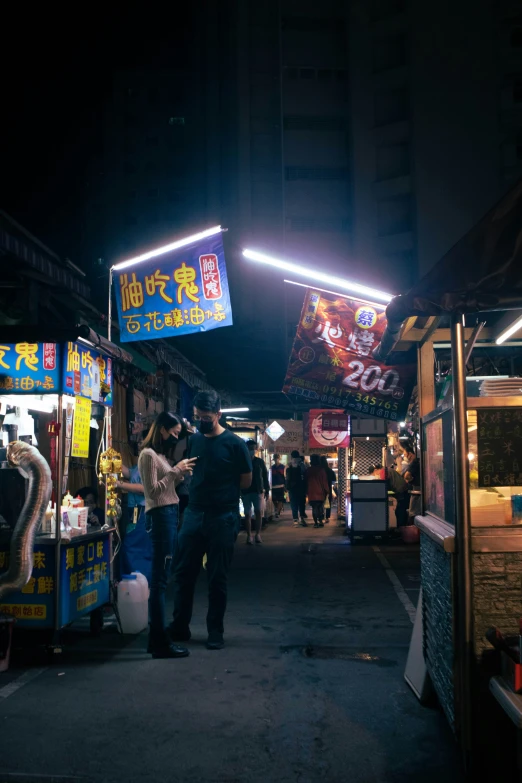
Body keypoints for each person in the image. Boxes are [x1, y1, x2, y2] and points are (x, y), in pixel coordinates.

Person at [170, 390, 252, 650]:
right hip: (194, 513)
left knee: (217, 577)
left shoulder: (235, 444)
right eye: (196, 417)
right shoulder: (194, 440)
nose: (200, 422)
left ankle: (215, 631)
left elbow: (246, 480)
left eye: (205, 417)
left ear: (218, 414)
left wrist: (222, 493)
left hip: (223, 516)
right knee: (183, 573)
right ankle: (180, 626)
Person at [138, 411, 196, 659]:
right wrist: (175, 471)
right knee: (160, 582)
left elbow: (166, 486)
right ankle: (160, 641)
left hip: (168, 515)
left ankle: (156, 640)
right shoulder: (148, 455)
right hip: (160, 517)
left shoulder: (160, 455)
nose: (175, 437)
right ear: (161, 429)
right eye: (173, 433)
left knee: (162, 579)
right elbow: (152, 492)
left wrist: (179, 472)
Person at [117, 464, 152, 584]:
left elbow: (144, 489)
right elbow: (130, 473)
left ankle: (140, 584)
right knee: (133, 546)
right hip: (136, 511)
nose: (137, 444)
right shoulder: (140, 463)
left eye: (140, 443)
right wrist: (112, 460)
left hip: (143, 510)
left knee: (133, 547)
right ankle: (137, 585)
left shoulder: (149, 463)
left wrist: (118, 483)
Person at [242, 439, 269, 545]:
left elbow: (265, 476)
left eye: (254, 448)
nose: (252, 450)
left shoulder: (260, 462)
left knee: (258, 512)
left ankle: (258, 534)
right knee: (247, 514)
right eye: (250, 448)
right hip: (246, 491)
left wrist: (266, 489)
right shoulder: (243, 461)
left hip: (258, 491)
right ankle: (249, 535)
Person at [305, 454, 330, 528]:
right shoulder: (321, 470)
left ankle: (315, 522)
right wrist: (327, 491)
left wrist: (306, 491)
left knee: (314, 508)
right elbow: (324, 482)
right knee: (320, 507)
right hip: (320, 492)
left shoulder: (308, 470)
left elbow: (305, 481)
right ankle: (320, 521)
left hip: (311, 492)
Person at [286, 450, 307, 527]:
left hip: (292, 487)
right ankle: (302, 518)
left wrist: (287, 486)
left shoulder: (289, 465)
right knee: (301, 503)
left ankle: (295, 520)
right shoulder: (302, 464)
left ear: (291, 456)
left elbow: (287, 477)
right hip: (301, 487)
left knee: (293, 503)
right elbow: (305, 475)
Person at [320, 456, 337, 523]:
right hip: (328, 489)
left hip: (320, 488)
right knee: (327, 503)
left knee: (320, 503)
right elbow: (334, 480)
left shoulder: (319, 471)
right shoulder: (330, 470)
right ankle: (327, 517)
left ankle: (321, 516)